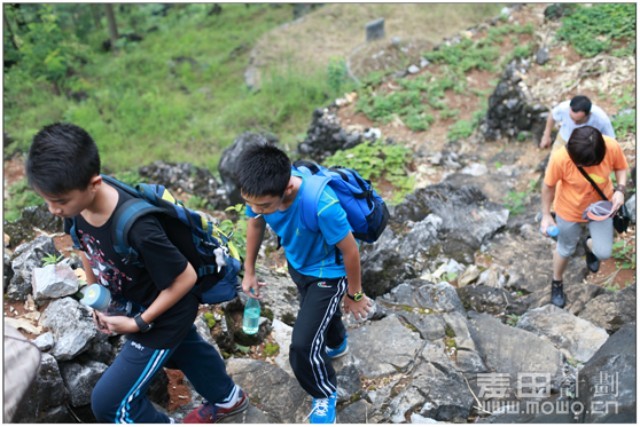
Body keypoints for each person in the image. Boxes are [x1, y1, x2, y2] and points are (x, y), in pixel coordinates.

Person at [25, 123, 248, 423]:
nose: (53, 210)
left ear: (94, 183)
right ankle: (228, 399)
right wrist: (96, 297)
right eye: (47, 200)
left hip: (164, 315)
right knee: (186, 348)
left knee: (108, 403)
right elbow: (84, 248)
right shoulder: (76, 209)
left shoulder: (139, 228)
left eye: (60, 201)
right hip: (136, 302)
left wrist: (138, 322)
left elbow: (186, 278)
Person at [237, 144, 372, 424]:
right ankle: (337, 342)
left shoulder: (322, 203)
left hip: (329, 273)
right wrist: (248, 270)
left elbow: (350, 251)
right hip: (298, 265)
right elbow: (255, 223)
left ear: (287, 188)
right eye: (249, 202)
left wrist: (354, 293)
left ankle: (323, 394)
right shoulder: (261, 193)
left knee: (302, 346)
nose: (255, 209)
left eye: (263, 205)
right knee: (321, 315)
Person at [540, 126, 628, 308]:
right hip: (569, 209)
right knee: (565, 249)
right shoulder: (560, 158)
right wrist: (546, 215)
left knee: (604, 252)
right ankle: (557, 282)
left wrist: (620, 190)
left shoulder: (611, 146)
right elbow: (548, 186)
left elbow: (621, 167)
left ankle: (589, 245)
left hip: (600, 208)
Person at [539, 95, 616, 151]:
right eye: (572, 118)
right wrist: (546, 136)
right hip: (564, 139)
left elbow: (611, 140)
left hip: (586, 147)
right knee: (554, 165)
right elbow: (552, 116)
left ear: (589, 114)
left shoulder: (601, 119)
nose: (574, 123)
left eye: (579, 121)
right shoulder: (563, 108)